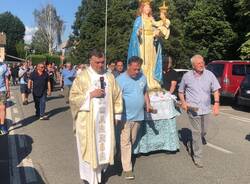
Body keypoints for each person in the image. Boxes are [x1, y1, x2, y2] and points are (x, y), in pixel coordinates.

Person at [69, 49, 123, 184]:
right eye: (97, 62)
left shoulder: (109, 76)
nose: (100, 65)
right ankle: (89, 178)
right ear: (90, 61)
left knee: (103, 150)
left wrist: (117, 115)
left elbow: (117, 95)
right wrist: (90, 95)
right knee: (88, 150)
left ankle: (100, 174)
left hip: (105, 122)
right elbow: (73, 98)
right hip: (88, 123)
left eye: (102, 62)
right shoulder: (82, 77)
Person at [178, 54, 220, 168]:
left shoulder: (209, 74)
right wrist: (184, 102)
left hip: (206, 109)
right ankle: (197, 157)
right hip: (193, 109)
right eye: (199, 63)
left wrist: (216, 104)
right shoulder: (187, 76)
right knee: (196, 133)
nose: (202, 65)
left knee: (203, 132)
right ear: (193, 65)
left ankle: (192, 142)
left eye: (202, 62)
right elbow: (181, 91)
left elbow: (216, 89)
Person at [116, 56, 151, 180]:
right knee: (126, 141)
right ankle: (127, 169)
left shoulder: (142, 77)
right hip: (125, 116)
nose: (137, 72)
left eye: (138, 69)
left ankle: (119, 155)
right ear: (128, 66)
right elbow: (115, 99)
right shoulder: (120, 80)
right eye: (135, 69)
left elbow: (145, 91)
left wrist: (148, 104)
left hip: (138, 116)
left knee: (132, 139)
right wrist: (116, 115)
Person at [127, 0, 170, 90]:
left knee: (152, 62)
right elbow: (135, 33)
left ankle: (152, 81)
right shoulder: (139, 19)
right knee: (144, 62)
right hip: (143, 43)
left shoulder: (151, 19)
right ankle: (144, 81)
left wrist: (163, 18)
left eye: (149, 7)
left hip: (151, 43)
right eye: (146, 7)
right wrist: (138, 32)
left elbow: (158, 24)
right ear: (142, 8)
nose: (148, 9)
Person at [0, 58, 10, 135]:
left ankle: (2, 125)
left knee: (2, 108)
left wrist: (8, 90)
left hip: (2, 90)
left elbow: (6, 79)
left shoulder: (4, 66)